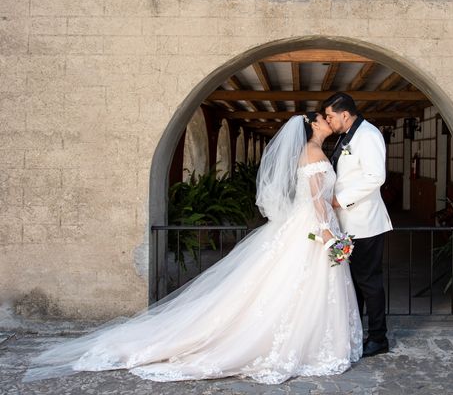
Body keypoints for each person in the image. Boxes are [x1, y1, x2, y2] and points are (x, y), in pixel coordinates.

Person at [23, 113, 362, 384]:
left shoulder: (314, 152)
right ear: (312, 127)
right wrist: (329, 235)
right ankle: (305, 343)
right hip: (311, 228)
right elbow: (318, 203)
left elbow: (319, 200)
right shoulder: (313, 153)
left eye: (326, 117)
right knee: (294, 286)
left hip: (304, 227)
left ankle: (309, 339)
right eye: (322, 119)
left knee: (289, 287)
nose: (326, 121)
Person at [322, 93, 393, 358]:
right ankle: (356, 332)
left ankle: (378, 338)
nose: (328, 120)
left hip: (365, 223)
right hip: (346, 225)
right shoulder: (346, 136)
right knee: (354, 282)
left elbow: (376, 176)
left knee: (369, 282)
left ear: (345, 114)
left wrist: (340, 200)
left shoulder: (368, 135)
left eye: (330, 115)